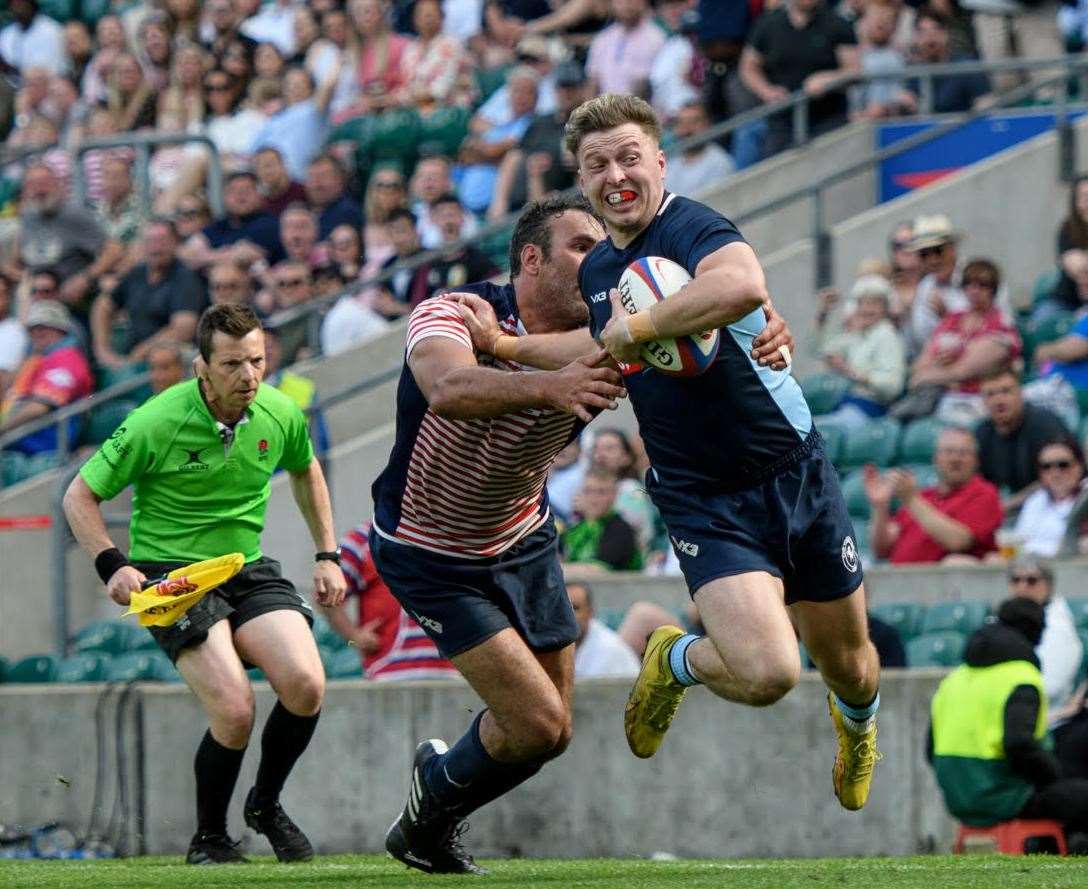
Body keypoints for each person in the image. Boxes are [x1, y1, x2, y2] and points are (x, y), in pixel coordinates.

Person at [459, 95, 877, 818]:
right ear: (581, 180)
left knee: (852, 665)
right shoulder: (597, 271)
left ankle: (860, 727)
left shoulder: (694, 225)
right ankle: (673, 657)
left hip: (794, 470)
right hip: (702, 497)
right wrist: (505, 347)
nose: (616, 174)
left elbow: (742, 285)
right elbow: (598, 340)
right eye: (597, 164)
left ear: (659, 160)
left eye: (629, 157)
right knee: (772, 671)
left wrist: (642, 327)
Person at [373, 192, 796, 873]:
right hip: (431, 551)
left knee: (554, 731)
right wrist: (554, 385)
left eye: (602, 245)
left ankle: (433, 803)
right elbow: (448, 386)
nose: (597, 257)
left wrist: (766, 322)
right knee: (536, 722)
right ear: (532, 258)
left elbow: (708, 311)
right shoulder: (455, 311)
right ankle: (434, 806)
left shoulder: (613, 325)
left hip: (525, 536)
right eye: (579, 246)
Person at [62, 304, 347, 865]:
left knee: (307, 684)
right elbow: (79, 495)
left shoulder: (280, 411)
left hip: (246, 566)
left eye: (257, 361)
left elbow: (305, 468)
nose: (249, 376)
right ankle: (209, 839)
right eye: (233, 363)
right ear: (202, 368)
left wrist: (327, 554)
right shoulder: (155, 420)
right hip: (172, 579)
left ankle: (264, 806)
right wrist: (112, 563)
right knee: (236, 709)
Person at [928, 598, 1088, 845]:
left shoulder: (955, 678)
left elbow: (930, 748)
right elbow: (1018, 744)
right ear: (1036, 632)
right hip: (1005, 796)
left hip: (957, 799)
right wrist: (1052, 775)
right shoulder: (1021, 678)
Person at [320, 522, 458, 680]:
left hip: (460, 673)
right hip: (386, 675)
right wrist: (353, 638)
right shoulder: (363, 539)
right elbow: (326, 594)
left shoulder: (456, 534)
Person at [739, 0, 859, 159]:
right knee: (776, 170)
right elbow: (748, 67)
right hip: (781, 118)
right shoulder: (768, 23)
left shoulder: (837, 23)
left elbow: (855, 70)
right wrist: (766, 90)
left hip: (828, 118)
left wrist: (829, 79)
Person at [907, 258, 1020, 426]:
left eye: (982, 285)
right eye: (968, 285)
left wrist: (927, 376)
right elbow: (920, 365)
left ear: (993, 290)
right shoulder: (952, 319)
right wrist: (941, 369)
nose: (974, 291)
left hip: (978, 401)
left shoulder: (1001, 324)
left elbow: (962, 371)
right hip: (942, 397)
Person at [866, 426, 1002, 564]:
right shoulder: (924, 496)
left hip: (947, 583)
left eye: (964, 453)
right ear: (935, 459)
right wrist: (880, 507)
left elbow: (958, 542)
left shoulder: (984, 493)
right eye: (949, 452)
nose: (955, 459)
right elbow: (882, 549)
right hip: (901, 579)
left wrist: (912, 500)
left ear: (976, 460)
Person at [90, 219, 208, 369]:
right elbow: (103, 305)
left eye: (162, 241)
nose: (155, 247)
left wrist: (140, 353)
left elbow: (183, 328)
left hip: (170, 364)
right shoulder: (138, 273)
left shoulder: (186, 277)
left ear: (176, 243)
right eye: (150, 241)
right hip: (132, 359)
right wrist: (102, 349)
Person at [0, 299, 92, 454]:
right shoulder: (39, 358)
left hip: (45, 443)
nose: (37, 332)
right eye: (33, 328)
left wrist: (2, 429)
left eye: (45, 327)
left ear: (62, 329)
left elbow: (39, 407)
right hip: (23, 439)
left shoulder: (67, 358)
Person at [975, 368, 1069, 515]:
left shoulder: (1045, 425)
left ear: (1020, 393)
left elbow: (1060, 477)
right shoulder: (983, 432)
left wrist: (1009, 505)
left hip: (1052, 508)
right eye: (990, 394)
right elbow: (976, 481)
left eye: (1006, 391)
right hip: (1006, 510)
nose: (999, 400)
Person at [816, 273, 907, 427]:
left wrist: (851, 372)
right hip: (848, 405)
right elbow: (824, 349)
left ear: (885, 308)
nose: (866, 309)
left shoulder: (887, 335)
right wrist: (825, 312)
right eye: (862, 303)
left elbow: (892, 386)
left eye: (873, 303)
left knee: (811, 433)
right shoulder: (861, 333)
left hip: (872, 411)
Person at [1006, 558, 1084, 724]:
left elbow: (1050, 686)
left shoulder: (1058, 628)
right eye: (1016, 580)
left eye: (1031, 580)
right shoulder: (1000, 622)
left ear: (1048, 585)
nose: (1022, 586)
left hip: (1047, 719)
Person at [1011, 439, 1086, 558]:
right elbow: (1020, 543)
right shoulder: (1035, 501)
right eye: (1046, 467)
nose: (1055, 473)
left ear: (1079, 467)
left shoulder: (1085, 498)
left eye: (1063, 465)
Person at [561, 467, 644, 571]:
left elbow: (599, 570)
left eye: (601, 492)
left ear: (614, 495)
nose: (594, 499)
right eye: (588, 491)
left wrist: (555, 571)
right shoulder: (575, 528)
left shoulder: (620, 529)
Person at [567, 580, 641, 678]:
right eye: (564, 608)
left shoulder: (608, 649)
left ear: (590, 612)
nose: (568, 615)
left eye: (576, 608)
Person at [663, 101, 736, 199]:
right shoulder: (670, 163)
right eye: (681, 123)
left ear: (707, 125)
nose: (686, 129)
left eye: (694, 122)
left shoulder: (719, 163)